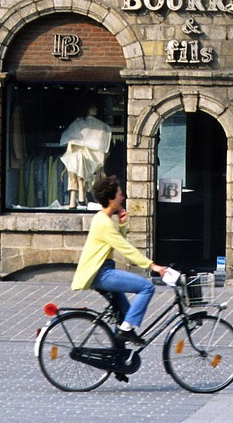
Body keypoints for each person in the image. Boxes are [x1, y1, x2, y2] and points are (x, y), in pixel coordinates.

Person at [72, 174, 166, 351]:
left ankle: (118, 359)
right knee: (147, 288)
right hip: (101, 273)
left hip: (103, 270)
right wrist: (152, 266)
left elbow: (117, 242)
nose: (123, 197)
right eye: (120, 194)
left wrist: (122, 224)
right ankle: (125, 331)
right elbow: (125, 248)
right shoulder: (103, 223)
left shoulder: (104, 219)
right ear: (111, 199)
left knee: (125, 313)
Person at [57, 103, 111, 208]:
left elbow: (103, 149)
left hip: (92, 161)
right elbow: (70, 145)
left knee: (77, 159)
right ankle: (79, 192)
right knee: (77, 157)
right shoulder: (77, 124)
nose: (95, 108)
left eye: (95, 106)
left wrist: (102, 167)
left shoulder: (101, 126)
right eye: (92, 106)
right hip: (80, 161)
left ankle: (74, 196)